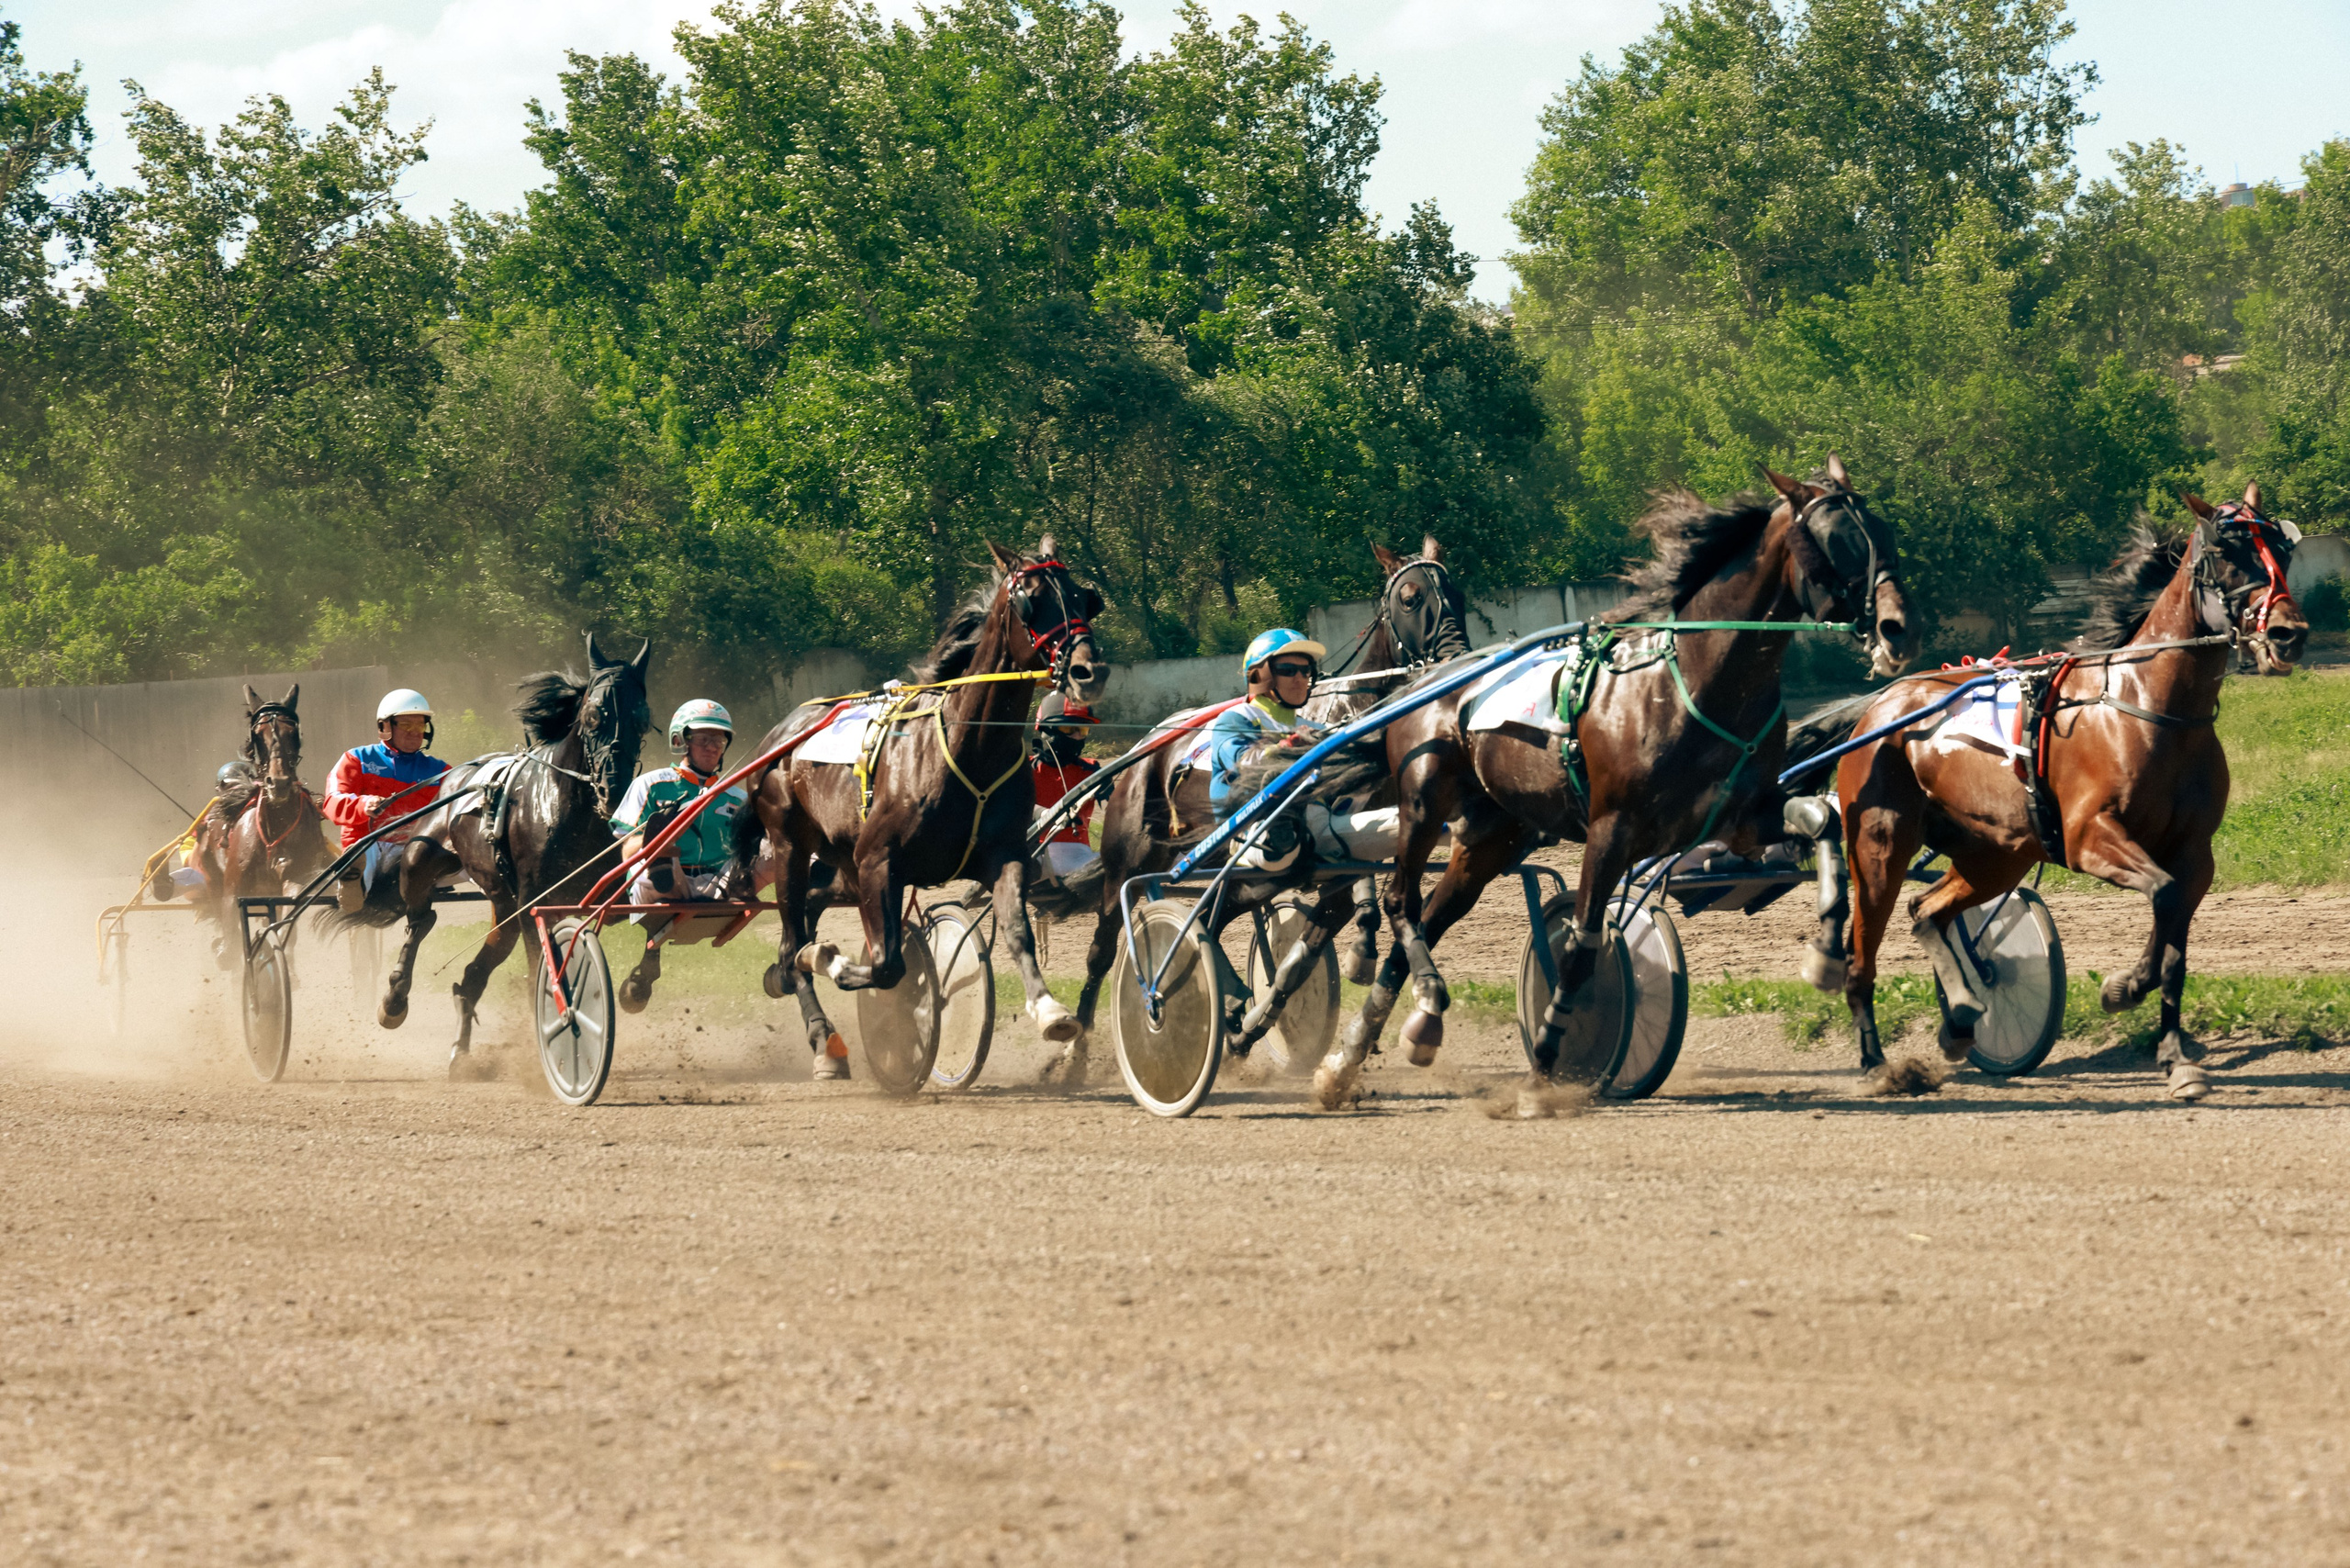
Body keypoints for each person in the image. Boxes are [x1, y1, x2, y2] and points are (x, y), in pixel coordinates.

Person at [1205, 628, 1325, 872]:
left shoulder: (1316, 727)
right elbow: (1243, 762)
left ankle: (1366, 903)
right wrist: (1286, 747)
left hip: (1316, 822)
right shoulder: (1235, 719)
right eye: (1288, 670)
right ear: (1261, 676)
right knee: (1284, 845)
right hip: (1249, 828)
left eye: (1306, 670)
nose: (1300, 678)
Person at [610, 700, 750, 904]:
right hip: (659, 885)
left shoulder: (738, 798)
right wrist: (663, 834)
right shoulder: (649, 784)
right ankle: (666, 877)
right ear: (681, 741)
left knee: (769, 845)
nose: (712, 748)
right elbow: (628, 852)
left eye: (718, 741)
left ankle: (813, 881)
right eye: (703, 740)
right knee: (661, 848)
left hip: (717, 884)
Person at [326, 689, 451, 912]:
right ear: (385, 727)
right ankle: (353, 882)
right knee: (361, 855)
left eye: (420, 726)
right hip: (369, 844)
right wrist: (363, 804)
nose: (415, 733)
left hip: (417, 849)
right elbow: (332, 801)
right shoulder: (356, 759)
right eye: (406, 725)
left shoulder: (440, 770)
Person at [1031, 688, 1101, 881]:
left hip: (1081, 856)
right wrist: (1045, 815)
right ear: (1047, 730)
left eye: (1084, 730)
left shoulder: (1092, 770)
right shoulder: (1025, 769)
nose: (1079, 736)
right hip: (1037, 855)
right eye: (1070, 729)